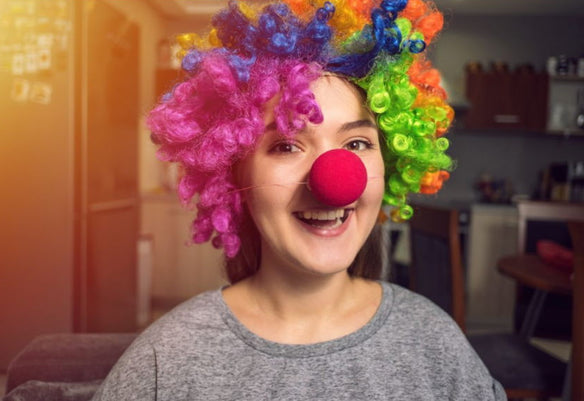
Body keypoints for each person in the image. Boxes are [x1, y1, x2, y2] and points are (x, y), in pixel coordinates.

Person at [93, 0, 506, 399]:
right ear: (234, 172)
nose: (333, 179)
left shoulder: (435, 344)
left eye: (358, 142)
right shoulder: (166, 360)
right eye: (287, 146)